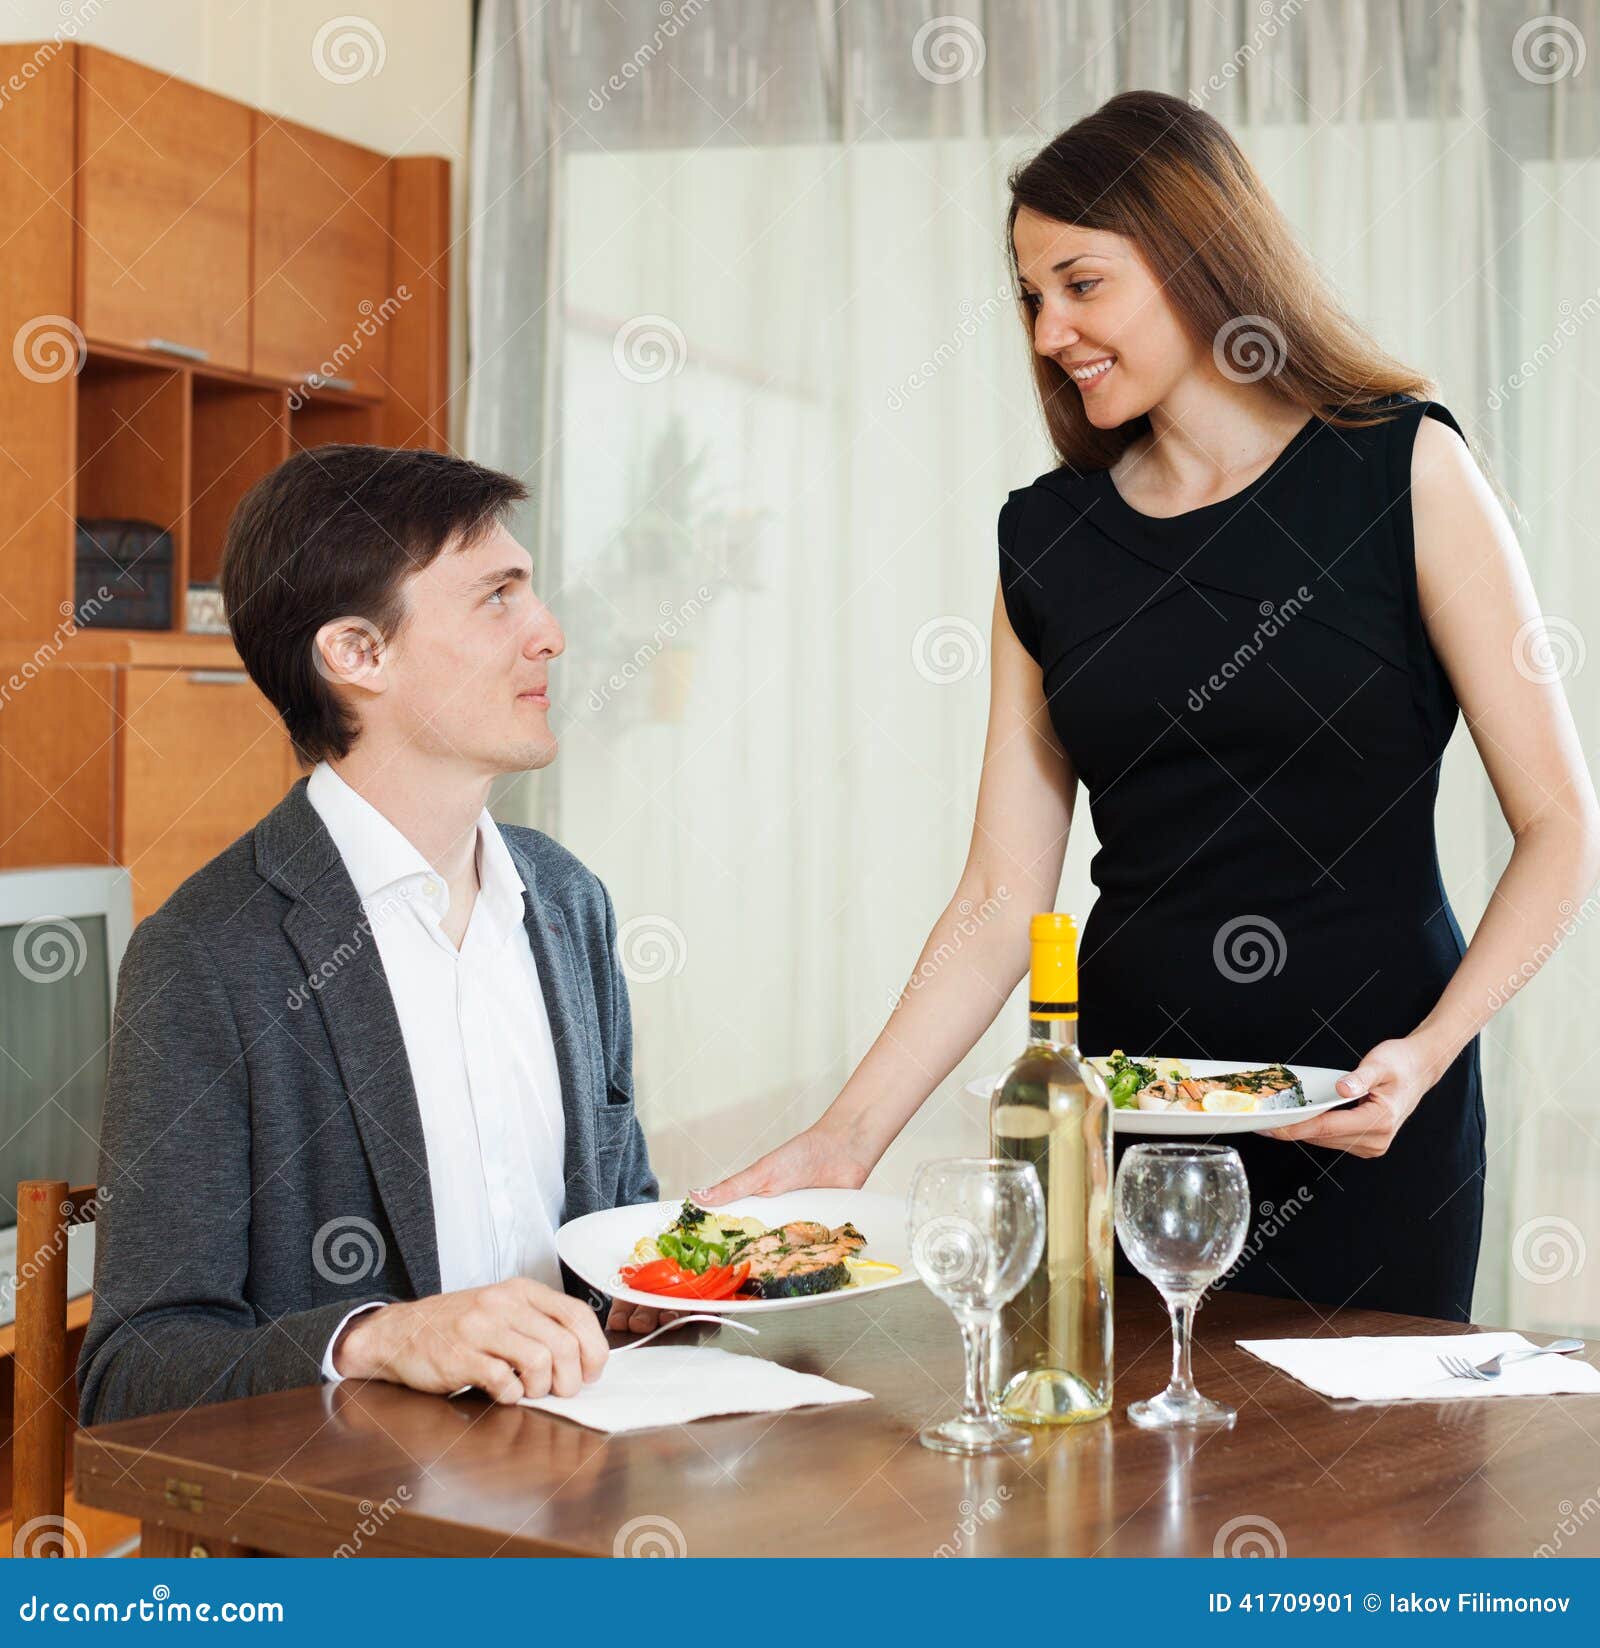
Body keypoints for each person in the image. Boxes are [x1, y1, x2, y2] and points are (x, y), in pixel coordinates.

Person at [699, 91, 1600, 1322]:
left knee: (1368, 1492)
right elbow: (1000, 895)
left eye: (1080, 283)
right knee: (1113, 1487)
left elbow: (1559, 825)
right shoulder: (1045, 536)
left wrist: (1427, 1056)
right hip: (1120, 1109)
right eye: (1029, 298)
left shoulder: (1402, 468)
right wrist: (845, 1137)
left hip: (1368, 1106)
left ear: (1195, 255)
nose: (1049, 329)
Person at [79, 445, 670, 1426]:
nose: (551, 634)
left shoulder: (570, 903)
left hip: (589, 1504)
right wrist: (378, 1340)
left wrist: (674, 1290)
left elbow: (619, 1245)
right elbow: (134, 1372)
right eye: (497, 598)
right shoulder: (206, 956)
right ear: (359, 654)